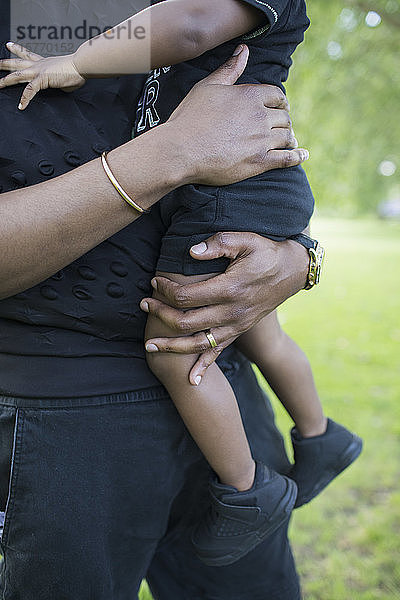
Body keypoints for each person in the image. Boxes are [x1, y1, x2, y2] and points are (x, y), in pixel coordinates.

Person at [0, 0, 363, 568]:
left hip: (218, 349)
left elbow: (222, 79)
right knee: (251, 338)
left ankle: (255, 487)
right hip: (66, 405)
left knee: (209, 346)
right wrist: (175, 150)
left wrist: (301, 258)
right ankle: (316, 440)